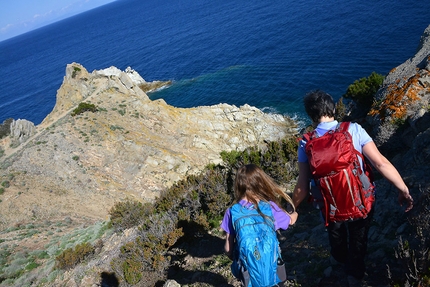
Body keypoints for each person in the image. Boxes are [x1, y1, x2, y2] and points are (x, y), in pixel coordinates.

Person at [292, 90, 414, 284]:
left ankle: (339, 258)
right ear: (332, 108)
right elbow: (380, 163)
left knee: (336, 234)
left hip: (329, 204)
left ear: (311, 114)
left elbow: (302, 187)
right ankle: (354, 275)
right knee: (359, 236)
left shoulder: (306, 142)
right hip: (360, 199)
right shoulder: (354, 129)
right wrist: (403, 189)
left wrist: (291, 208)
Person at [221, 164, 298, 286]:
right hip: (273, 272)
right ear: (261, 182)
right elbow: (290, 221)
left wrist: (234, 257)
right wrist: (294, 213)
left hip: (248, 274)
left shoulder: (232, 212)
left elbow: (228, 248)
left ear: (238, 186)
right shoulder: (270, 207)